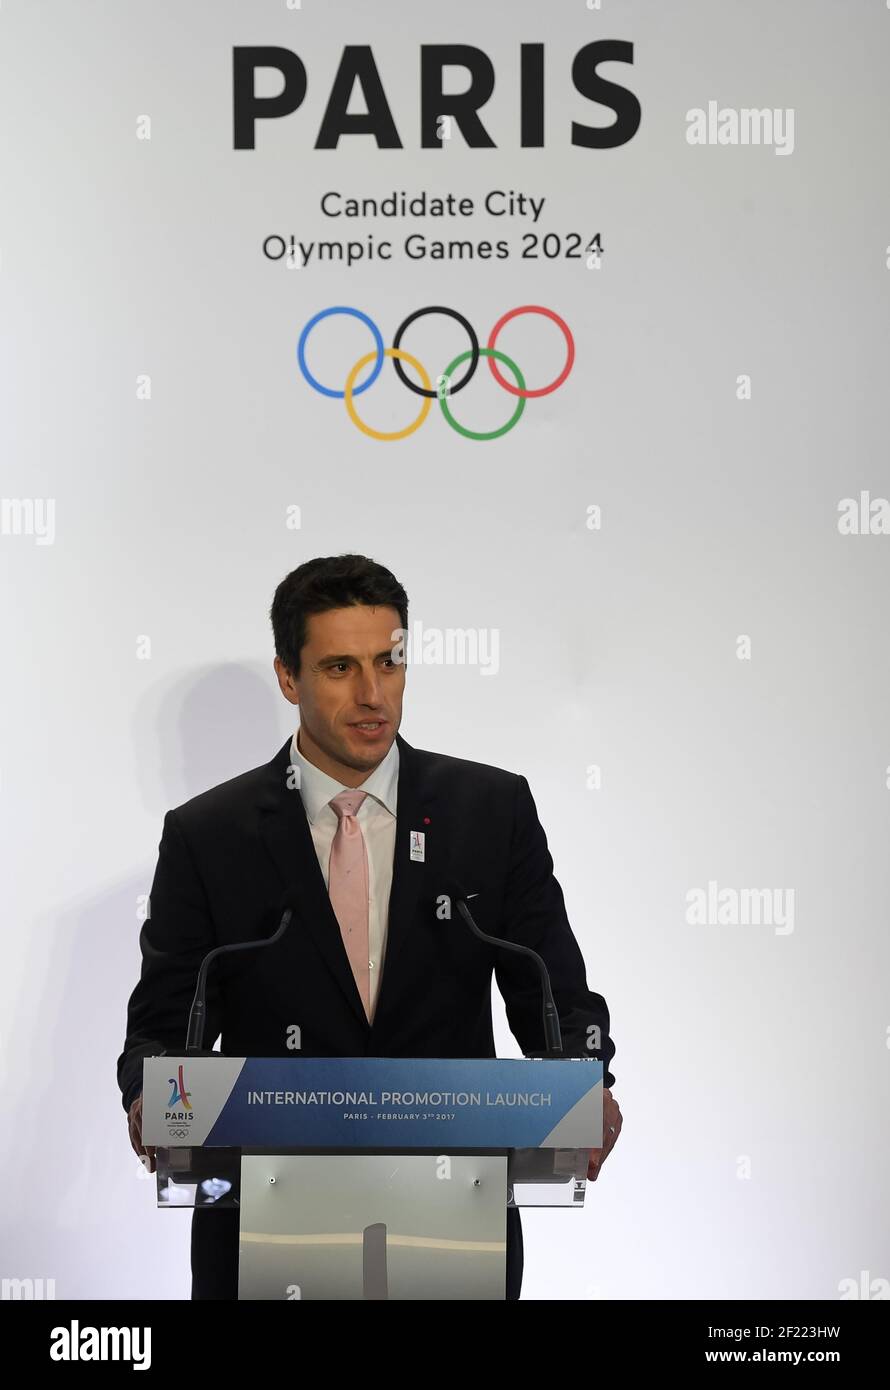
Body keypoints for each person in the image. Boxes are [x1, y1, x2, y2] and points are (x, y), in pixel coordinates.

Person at [118, 553, 622, 1299]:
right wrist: (148, 1097)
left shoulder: (489, 810)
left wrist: (590, 1080)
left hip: (454, 1217)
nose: (371, 693)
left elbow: (553, 990)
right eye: (339, 668)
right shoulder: (210, 835)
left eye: (389, 663)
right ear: (289, 678)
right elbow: (163, 1027)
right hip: (262, 1225)